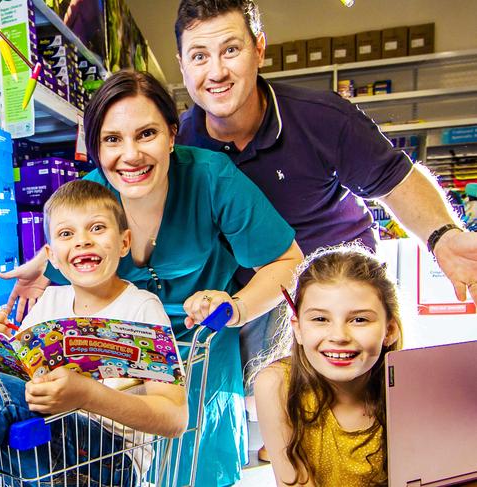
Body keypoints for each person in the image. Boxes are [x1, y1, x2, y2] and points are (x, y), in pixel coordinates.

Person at [173, 0, 477, 445]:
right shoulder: (179, 141)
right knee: (274, 421)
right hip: (252, 292)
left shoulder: (320, 117)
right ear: (182, 65)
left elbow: (397, 179)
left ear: (259, 49)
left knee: (363, 424)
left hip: (335, 277)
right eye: (199, 56)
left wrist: (442, 236)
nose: (216, 71)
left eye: (231, 50)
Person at [0, 70, 303, 486]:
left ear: (172, 134)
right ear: (96, 148)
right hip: (120, 371)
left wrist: (237, 307)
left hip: (202, 356)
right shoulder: (93, 195)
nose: (130, 155)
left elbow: (287, 260)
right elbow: (72, 251)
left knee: (196, 469)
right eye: (112, 139)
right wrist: (42, 268)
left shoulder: (212, 178)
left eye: (146, 134)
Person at [0, 180, 189, 487]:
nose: (82, 241)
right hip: (46, 445)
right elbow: (20, 370)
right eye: (66, 234)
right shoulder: (51, 301)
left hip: (110, 461)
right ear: (52, 256)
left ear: (124, 243)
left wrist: (88, 395)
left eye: (96, 228)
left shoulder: (141, 308)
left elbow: (175, 418)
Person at [253, 245, 403, 486]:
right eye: (321, 319)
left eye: (359, 319)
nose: (339, 336)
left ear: (390, 330)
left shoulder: (411, 390)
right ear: (298, 328)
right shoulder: (277, 384)